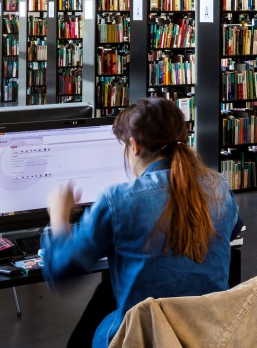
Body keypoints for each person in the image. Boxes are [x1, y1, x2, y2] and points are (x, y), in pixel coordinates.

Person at [42, 98, 241, 347]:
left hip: (144, 338)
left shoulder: (118, 200)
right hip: (207, 334)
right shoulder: (219, 186)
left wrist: (59, 217)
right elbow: (231, 230)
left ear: (134, 146)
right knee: (105, 294)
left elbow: (63, 267)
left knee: (103, 309)